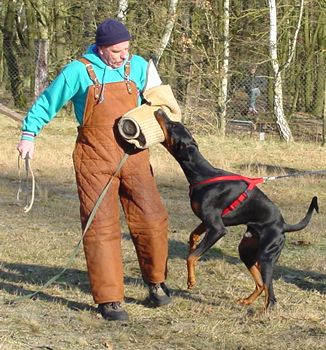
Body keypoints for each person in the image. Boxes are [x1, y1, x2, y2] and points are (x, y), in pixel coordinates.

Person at [17, 18, 171, 322]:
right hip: (94, 160)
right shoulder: (78, 71)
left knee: (153, 219)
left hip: (135, 156)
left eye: (127, 49)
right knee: (101, 228)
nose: (123, 55)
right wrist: (28, 134)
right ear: (100, 49)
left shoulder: (139, 67)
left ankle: (156, 282)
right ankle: (110, 299)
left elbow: (159, 105)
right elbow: (47, 102)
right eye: (116, 51)